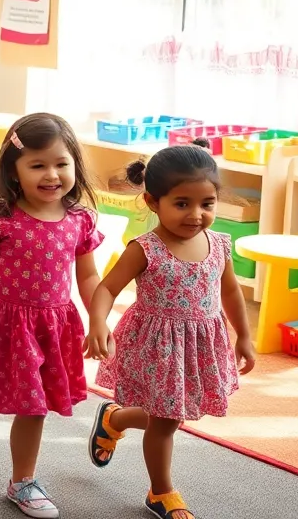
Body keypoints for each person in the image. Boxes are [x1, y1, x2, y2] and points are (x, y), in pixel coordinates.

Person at [85, 141, 255, 519]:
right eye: (182, 203)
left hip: (198, 344)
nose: (196, 215)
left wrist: (243, 335)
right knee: (165, 421)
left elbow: (229, 291)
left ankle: (114, 419)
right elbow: (107, 288)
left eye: (206, 204)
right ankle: (161, 492)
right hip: (158, 346)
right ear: (151, 202)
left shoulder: (220, 244)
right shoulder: (146, 248)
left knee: (170, 415)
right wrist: (98, 322)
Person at [0, 113, 103, 518]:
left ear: (74, 166)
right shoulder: (0, 217)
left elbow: (88, 274)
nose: (52, 174)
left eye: (61, 164)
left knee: (34, 406)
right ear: (14, 172)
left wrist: (99, 318)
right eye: (38, 165)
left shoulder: (78, 220)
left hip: (50, 326)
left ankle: (22, 481)